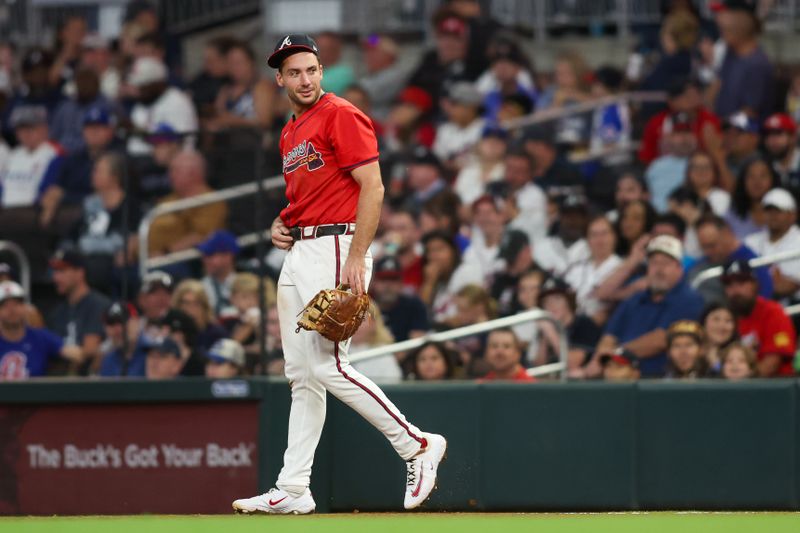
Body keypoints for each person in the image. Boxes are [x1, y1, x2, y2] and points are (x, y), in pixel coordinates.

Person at [231, 35, 446, 515]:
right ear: (279, 79)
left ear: (321, 71)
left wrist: (356, 253)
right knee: (302, 374)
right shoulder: (290, 131)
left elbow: (373, 185)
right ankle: (294, 487)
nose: (303, 79)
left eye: (310, 70)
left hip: (336, 245)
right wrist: (280, 222)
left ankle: (417, 445)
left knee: (329, 364)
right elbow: (305, 197)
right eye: (293, 73)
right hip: (303, 247)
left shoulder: (340, 113)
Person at [588, 235, 705, 378]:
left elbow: (661, 340)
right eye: (654, 263)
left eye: (666, 263)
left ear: (679, 268)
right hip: (621, 377)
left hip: (660, 379)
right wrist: (598, 360)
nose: (659, 269)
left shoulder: (689, 299)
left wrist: (616, 353)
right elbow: (610, 335)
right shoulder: (634, 299)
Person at [720, 259, 797, 377]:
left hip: (774, 386)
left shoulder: (772, 312)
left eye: (741, 283)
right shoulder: (724, 316)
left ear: (755, 285)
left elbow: (772, 363)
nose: (735, 290)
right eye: (729, 285)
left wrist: (744, 383)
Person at [147, 150, 227, 257]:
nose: (170, 175)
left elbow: (201, 236)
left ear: (194, 173)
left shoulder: (210, 201)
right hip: (146, 258)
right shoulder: (169, 199)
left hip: (179, 260)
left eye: (176, 170)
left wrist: (166, 253)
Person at [0, 281, 83, 379]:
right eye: (4, 305)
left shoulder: (39, 336)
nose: (12, 310)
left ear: (26, 307)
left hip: (35, 392)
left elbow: (76, 354)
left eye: (17, 304)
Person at [46, 249, 111, 373]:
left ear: (80, 272)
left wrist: (60, 349)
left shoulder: (98, 305)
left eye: (62, 271)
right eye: (55, 272)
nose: (56, 277)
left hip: (90, 381)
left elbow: (90, 350)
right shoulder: (58, 312)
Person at [711, 0, 774, 120]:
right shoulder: (731, 53)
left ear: (741, 25)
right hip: (721, 126)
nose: (722, 34)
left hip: (744, 134)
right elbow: (716, 87)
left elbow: (750, 113)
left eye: (726, 30)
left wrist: (722, 129)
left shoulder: (757, 64)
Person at [690, 214, 772, 304]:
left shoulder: (752, 263)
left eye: (712, 245)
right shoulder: (701, 263)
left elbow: (765, 298)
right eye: (703, 247)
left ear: (727, 234)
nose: (708, 252)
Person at [126, 57, 198, 156]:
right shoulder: (142, 103)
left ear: (158, 83)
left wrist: (144, 135)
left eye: (143, 86)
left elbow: (180, 143)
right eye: (137, 86)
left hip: (171, 163)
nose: (138, 91)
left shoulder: (177, 102)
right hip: (139, 161)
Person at [536, 277, 602, 378]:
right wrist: (545, 338)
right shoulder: (547, 328)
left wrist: (552, 334)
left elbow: (572, 364)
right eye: (546, 301)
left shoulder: (583, 323)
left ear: (568, 300)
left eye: (557, 298)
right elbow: (538, 369)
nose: (551, 305)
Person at [0, 105, 63, 208]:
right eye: (21, 129)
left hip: (32, 213)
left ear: (44, 128)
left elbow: (49, 190)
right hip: (6, 213)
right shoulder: (13, 155)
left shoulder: (54, 153)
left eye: (31, 128)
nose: (25, 133)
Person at [563, 215, 622, 324]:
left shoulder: (622, 267)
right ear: (587, 240)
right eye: (594, 235)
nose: (599, 240)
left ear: (614, 237)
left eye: (604, 234)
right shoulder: (576, 268)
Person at [744, 188, 800, 301]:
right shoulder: (750, 242)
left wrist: (759, 280)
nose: (772, 215)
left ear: (792, 215)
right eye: (768, 211)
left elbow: (786, 287)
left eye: (778, 211)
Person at [369, 256, 430, 343]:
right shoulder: (364, 306)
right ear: (373, 283)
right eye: (383, 279)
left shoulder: (414, 306)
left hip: (406, 355)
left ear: (401, 283)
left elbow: (418, 342)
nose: (388, 285)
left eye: (393, 279)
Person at [724, 156, 778, 240]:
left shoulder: (784, 212)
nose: (757, 182)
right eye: (751, 176)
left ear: (773, 179)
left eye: (763, 176)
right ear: (743, 181)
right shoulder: (732, 215)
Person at [171, 279, 227, 354]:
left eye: (196, 304)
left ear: (204, 307)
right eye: (186, 303)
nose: (191, 309)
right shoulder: (171, 331)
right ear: (178, 306)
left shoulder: (217, 334)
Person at [197, 230, 240, 316]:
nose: (205, 260)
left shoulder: (245, 284)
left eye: (210, 255)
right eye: (204, 255)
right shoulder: (199, 287)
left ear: (228, 256)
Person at [98, 302, 145, 377]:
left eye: (122, 322)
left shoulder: (152, 352)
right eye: (111, 323)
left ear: (136, 321)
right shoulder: (109, 360)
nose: (117, 329)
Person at [762, 113, 800, 192]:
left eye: (778, 133)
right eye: (768, 134)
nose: (772, 140)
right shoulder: (764, 166)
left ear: (793, 137)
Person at [701, 303, 738, 374]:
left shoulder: (741, 354)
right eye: (716, 319)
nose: (722, 326)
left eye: (728, 321)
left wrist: (716, 365)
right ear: (704, 322)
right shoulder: (692, 351)